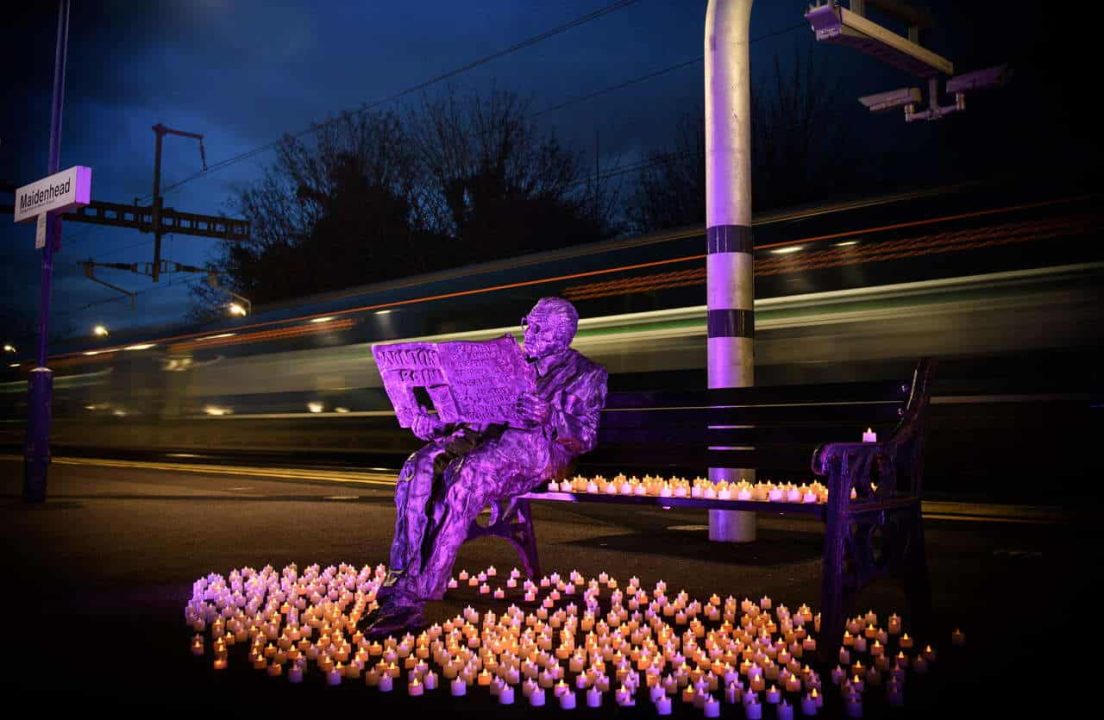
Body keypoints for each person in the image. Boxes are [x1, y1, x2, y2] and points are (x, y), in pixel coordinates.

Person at [366, 297, 607, 637]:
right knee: (417, 467)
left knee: (466, 477)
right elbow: (471, 411)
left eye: (538, 328)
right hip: (480, 439)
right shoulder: (511, 362)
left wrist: (550, 416)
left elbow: (586, 436)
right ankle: (398, 583)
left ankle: (411, 599)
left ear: (561, 336)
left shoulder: (587, 375)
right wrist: (433, 423)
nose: (529, 331)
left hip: (531, 452)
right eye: (528, 322)